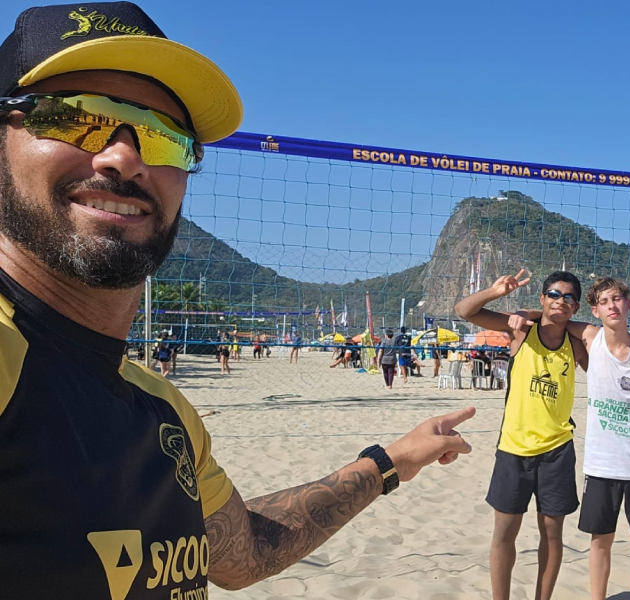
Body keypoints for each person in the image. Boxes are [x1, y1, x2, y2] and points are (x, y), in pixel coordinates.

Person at [0, 3, 475, 596]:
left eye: (160, 136)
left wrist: (391, 462)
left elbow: (241, 553)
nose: (124, 157)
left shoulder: (163, 409)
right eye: (71, 116)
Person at [512, 276, 630, 600]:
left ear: (628, 304)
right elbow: (554, 315)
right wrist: (531, 312)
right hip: (602, 464)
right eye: (605, 302)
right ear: (595, 310)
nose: (612, 306)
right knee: (600, 542)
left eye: (617, 299)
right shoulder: (591, 338)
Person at [456, 270, 588, 600]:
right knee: (504, 533)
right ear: (542, 298)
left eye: (568, 297)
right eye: (554, 294)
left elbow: (608, 349)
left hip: (557, 450)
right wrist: (494, 292)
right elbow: (465, 311)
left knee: (552, 535)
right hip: (513, 448)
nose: (561, 301)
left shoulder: (576, 345)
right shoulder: (520, 332)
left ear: (576, 306)